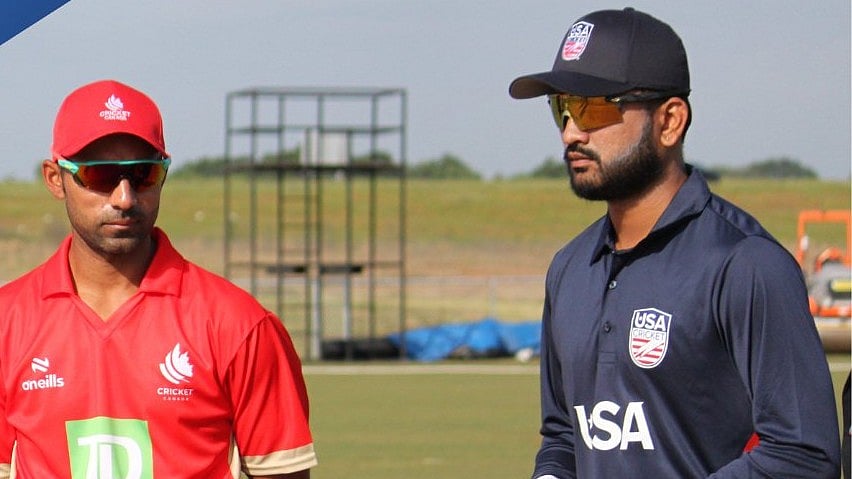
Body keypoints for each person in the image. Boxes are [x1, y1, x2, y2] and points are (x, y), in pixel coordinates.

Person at [508, 8, 840, 478]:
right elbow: (565, 435)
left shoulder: (745, 264)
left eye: (593, 108)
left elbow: (803, 456)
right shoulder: (569, 268)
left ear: (669, 121)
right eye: (561, 107)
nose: (570, 132)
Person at [0, 79, 317, 478]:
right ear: (54, 179)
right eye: (100, 176)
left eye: (143, 174)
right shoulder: (7, 323)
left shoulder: (240, 325)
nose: (124, 198)